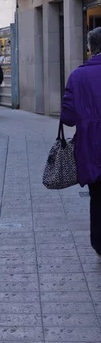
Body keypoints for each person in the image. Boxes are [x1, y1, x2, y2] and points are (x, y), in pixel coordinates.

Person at [61, 27, 101, 256]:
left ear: (90, 48)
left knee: (97, 198)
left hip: (92, 149)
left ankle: (99, 243)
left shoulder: (78, 76)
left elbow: (68, 117)